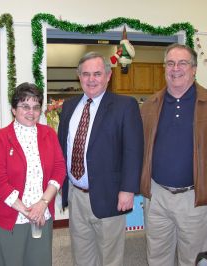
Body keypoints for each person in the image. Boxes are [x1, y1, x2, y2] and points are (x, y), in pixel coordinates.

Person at [140, 43, 207, 266]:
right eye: (170, 63)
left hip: (194, 198)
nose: (176, 68)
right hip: (157, 197)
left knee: (193, 259)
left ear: (194, 69)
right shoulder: (150, 105)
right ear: (165, 68)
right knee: (156, 258)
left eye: (182, 63)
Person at [58, 52, 144, 266]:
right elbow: (64, 147)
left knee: (110, 258)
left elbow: (133, 150)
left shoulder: (125, 106)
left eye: (97, 73)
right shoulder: (69, 107)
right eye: (86, 74)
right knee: (82, 255)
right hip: (77, 196)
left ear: (108, 75)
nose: (91, 79)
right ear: (79, 77)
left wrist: (128, 189)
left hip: (110, 194)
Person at [0, 82, 66, 266]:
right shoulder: (1, 138)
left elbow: (59, 168)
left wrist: (42, 204)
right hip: (10, 216)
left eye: (36, 107)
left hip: (42, 215)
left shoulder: (48, 134)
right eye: (25, 106)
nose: (31, 112)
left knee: (40, 261)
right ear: (14, 109)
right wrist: (27, 210)